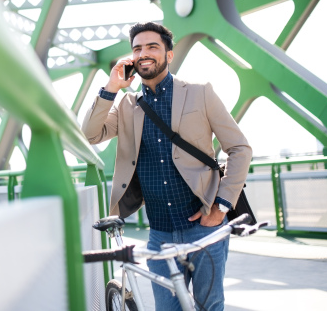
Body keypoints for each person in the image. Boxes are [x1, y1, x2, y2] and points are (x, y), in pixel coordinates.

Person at [81, 22, 252, 311]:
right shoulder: (127, 105)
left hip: (204, 227)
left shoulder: (200, 93)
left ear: (169, 55)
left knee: (210, 306)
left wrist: (220, 206)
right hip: (159, 232)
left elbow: (239, 148)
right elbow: (90, 134)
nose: (143, 53)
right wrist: (112, 87)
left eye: (152, 47)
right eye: (137, 49)